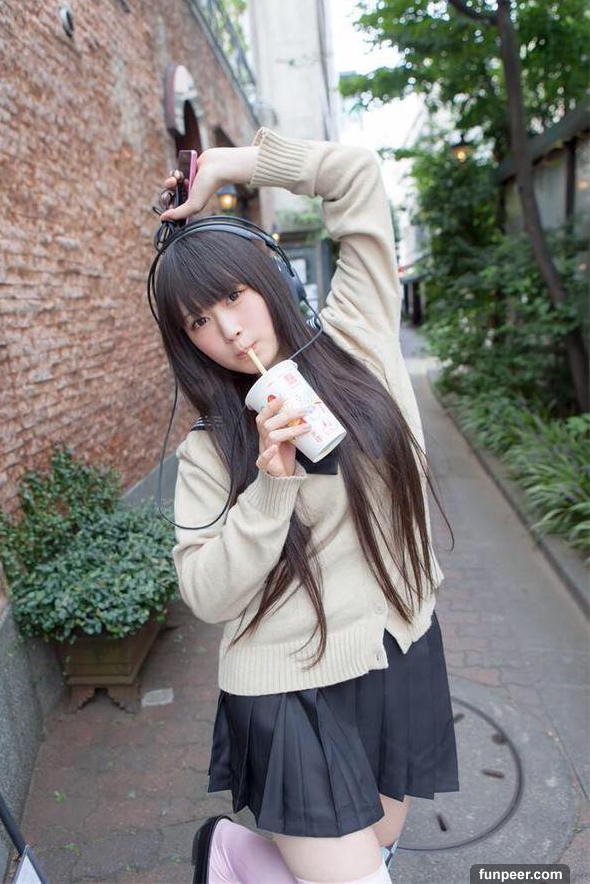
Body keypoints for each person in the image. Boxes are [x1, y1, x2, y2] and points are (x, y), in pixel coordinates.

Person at [155, 127, 459, 883]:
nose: (228, 330)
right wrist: (271, 483)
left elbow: (356, 174)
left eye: (233, 296)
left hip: (396, 647)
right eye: (199, 321)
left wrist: (228, 165)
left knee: (379, 842)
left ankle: (236, 854)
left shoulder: (359, 335)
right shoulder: (211, 448)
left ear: (270, 279)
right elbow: (205, 593)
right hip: (287, 684)